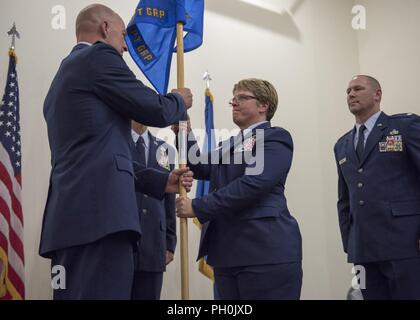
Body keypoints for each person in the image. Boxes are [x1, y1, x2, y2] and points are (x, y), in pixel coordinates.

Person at [39, 4, 194, 300]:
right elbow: (153, 109)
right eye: (123, 35)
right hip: (100, 220)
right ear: (106, 28)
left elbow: (102, 155)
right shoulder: (98, 56)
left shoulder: (61, 79)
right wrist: (178, 100)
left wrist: (160, 182)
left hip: (73, 220)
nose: (125, 46)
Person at [176, 79, 302, 300]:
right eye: (232, 99)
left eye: (242, 98)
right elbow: (198, 165)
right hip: (226, 254)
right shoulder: (229, 144)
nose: (234, 103)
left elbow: (253, 184)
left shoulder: (275, 138)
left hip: (264, 253)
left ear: (263, 105)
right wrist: (182, 125)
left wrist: (197, 206)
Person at [334, 75, 420, 300]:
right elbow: (344, 199)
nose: (351, 94)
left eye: (358, 88)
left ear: (377, 94)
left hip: (405, 243)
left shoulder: (404, 127)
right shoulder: (342, 145)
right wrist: (349, 241)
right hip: (363, 248)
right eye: (348, 91)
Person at [130, 122, 176, 300]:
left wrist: (170, 242)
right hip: (122, 241)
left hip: (154, 244)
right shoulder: (115, 143)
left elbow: (169, 199)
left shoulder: (165, 149)